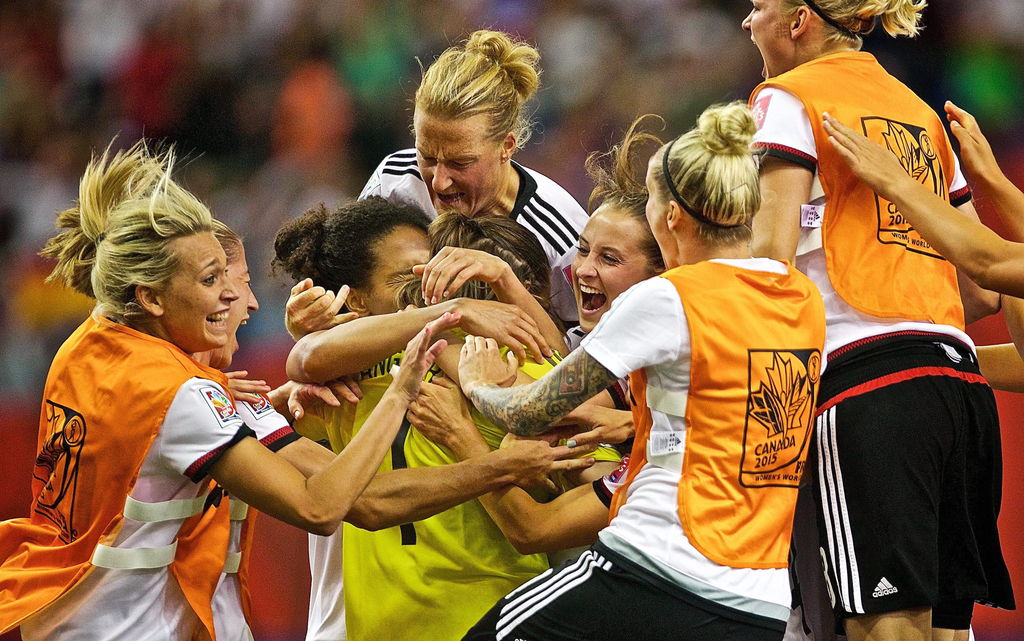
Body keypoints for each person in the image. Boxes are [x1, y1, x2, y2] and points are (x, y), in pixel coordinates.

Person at [0, 141, 457, 641]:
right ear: (150, 298)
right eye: (213, 279)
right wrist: (404, 395)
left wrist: (258, 404)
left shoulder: (87, 343)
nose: (244, 300)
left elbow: (145, 443)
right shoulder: (183, 393)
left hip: (65, 616)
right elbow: (323, 507)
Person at [455, 102, 826, 641]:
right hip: (759, 599)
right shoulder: (801, 297)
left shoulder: (667, 297)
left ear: (671, 216)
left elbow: (530, 412)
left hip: (653, 567)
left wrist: (477, 384)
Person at [743, 2, 1014, 639]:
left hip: (863, 386)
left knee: (885, 627)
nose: (747, 23)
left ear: (799, 21)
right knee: (946, 631)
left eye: (757, 7)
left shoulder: (789, 98)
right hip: (960, 390)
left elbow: (768, 264)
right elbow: (981, 293)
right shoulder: (922, 114)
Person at [274, 200, 596, 641]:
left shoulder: (492, 360)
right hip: (399, 623)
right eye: (406, 277)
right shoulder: (348, 373)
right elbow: (302, 366)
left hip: (484, 614)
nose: (426, 286)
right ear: (359, 300)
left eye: (432, 270)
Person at [359, 29, 589, 324]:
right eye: (427, 157)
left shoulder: (562, 239)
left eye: (460, 162)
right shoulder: (394, 181)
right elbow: (348, 284)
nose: (439, 182)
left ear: (507, 146)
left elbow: (585, 345)